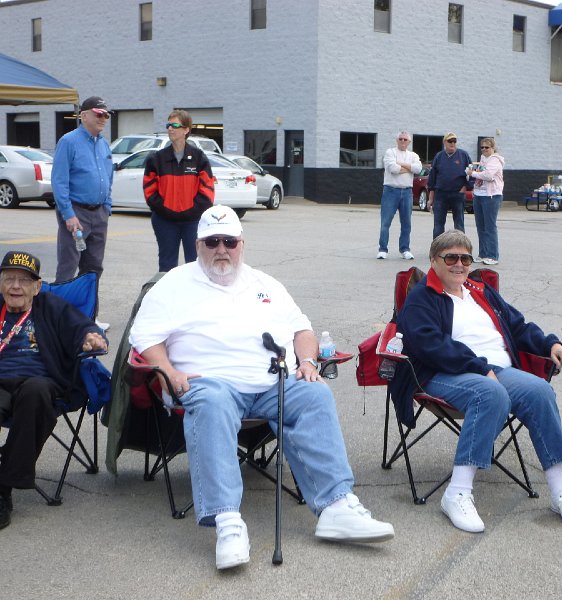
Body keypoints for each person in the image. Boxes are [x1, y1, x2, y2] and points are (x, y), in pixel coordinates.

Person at [129, 205, 394, 570]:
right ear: (198, 244)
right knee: (213, 402)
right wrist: (170, 371)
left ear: (242, 244)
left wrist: (306, 363)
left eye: (230, 242)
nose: (222, 249)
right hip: (208, 382)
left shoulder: (265, 283)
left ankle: (336, 507)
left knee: (315, 394)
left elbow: (303, 330)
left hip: (272, 381)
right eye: (212, 242)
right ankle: (227, 522)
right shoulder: (173, 284)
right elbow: (144, 339)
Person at [389, 230, 562, 532]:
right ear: (434, 260)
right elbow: (428, 345)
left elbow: (518, 326)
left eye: (465, 258)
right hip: (440, 374)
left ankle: (560, 491)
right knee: (490, 393)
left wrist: (552, 346)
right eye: (451, 257)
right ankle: (457, 493)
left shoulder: (480, 290)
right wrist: (479, 368)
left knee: (540, 391)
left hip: (495, 370)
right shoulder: (422, 297)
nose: (459, 264)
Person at [0, 251, 108, 530]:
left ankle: (2, 489)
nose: (15, 287)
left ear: (37, 287)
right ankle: (9, 466)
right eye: (9, 278)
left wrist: (91, 338)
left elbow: (83, 328)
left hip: (40, 384)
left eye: (24, 281)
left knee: (35, 393)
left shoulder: (52, 307)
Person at [52, 96, 114, 330]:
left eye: (106, 115)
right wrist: (68, 214)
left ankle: (89, 317)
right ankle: (59, 319)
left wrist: (107, 205)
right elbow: (59, 181)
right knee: (68, 267)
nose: (103, 119)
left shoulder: (104, 144)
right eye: (99, 114)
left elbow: (109, 177)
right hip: (76, 213)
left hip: (98, 213)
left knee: (94, 268)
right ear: (84, 115)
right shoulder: (69, 142)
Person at [143, 110, 215, 272]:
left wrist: (190, 212)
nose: (170, 129)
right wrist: (166, 211)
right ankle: (167, 297)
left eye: (175, 125)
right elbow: (149, 191)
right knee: (167, 266)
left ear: (186, 130)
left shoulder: (199, 158)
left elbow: (208, 191)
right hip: (164, 221)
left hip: (193, 222)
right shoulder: (156, 159)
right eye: (168, 125)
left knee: (195, 264)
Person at [376, 131, 422, 260]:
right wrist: (409, 168)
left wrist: (401, 164)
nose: (402, 141)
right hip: (391, 190)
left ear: (409, 142)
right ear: (397, 140)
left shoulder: (413, 155)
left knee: (406, 223)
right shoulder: (390, 152)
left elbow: (418, 169)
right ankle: (383, 249)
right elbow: (393, 169)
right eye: (400, 139)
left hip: (407, 191)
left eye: (405, 139)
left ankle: (405, 249)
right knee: (386, 222)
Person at [466, 138, 504, 265]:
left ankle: (493, 255)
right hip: (479, 194)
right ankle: (483, 253)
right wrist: (475, 173)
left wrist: (472, 173)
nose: (484, 149)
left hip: (491, 196)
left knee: (490, 226)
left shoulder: (495, 160)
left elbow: (488, 175)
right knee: (480, 225)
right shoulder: (483, 158)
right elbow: (482, 173)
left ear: (493, 148)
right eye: (482, 147)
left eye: (486, 147)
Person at [427, 133, 471, 239]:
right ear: (444, 142)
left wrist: (465, 187)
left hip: (458, 194)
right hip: (441, 194)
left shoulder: (463, 155)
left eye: (454, 141)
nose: (452, 143)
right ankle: (437, 249)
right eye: (450, 141)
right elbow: (432, 178)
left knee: (459, 224)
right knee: (438, 224)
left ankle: (460, 248)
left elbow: (471, 173)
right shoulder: (439, 156)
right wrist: (430, 198)